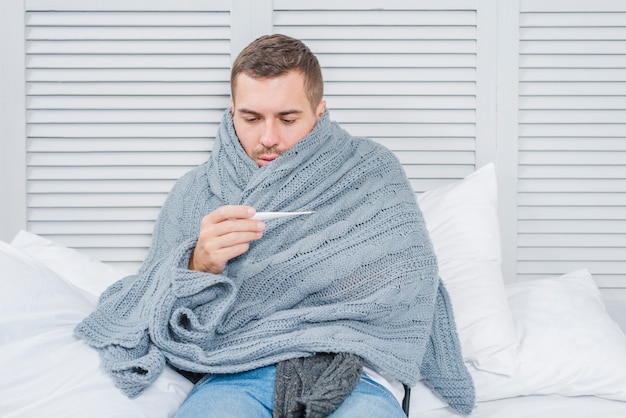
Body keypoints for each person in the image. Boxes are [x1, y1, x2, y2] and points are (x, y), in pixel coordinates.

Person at [75, 34, 474, 417]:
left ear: (319, 111)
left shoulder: (371, 170)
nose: (268, 137)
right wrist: (198, 264)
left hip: (357, 372)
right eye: (251, 118)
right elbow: (149, 302)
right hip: (234, 368)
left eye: (287, 118)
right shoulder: (196, 191)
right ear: (232, 109)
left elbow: (410, 280)